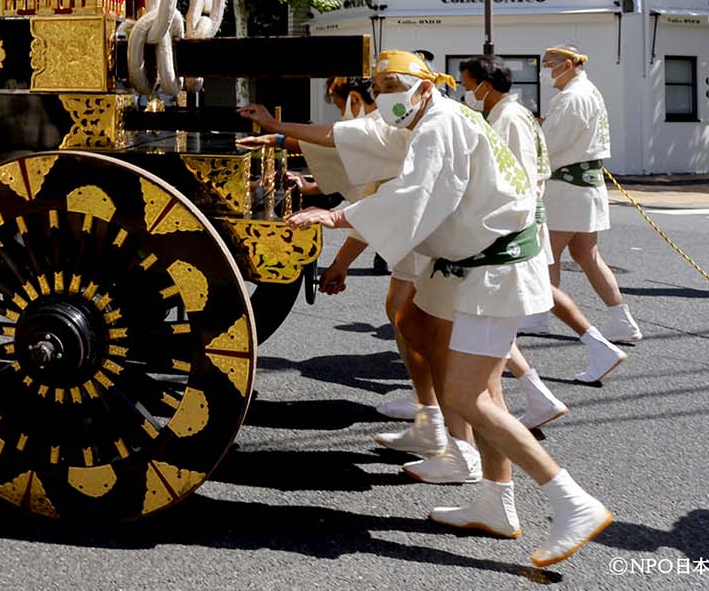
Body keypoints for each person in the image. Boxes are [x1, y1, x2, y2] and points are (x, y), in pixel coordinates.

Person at [287, 50, 612, 567]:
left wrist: (334, 217)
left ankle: (572, 501)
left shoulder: (440, 126)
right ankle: (496, 502)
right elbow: (376, 142)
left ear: (422, 85)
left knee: (468, 395)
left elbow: (413, 194)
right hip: (480, 265)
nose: (383, 92)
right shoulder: (434, 115)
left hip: (492, 270)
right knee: (482, 388)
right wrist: (288, 134)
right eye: (379, 84)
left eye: (393, 83)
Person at [239, 79, 431, 429]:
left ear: (355, 99)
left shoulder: (381, 125)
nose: (338, 111)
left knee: (436, 321)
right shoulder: (397, 125)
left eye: (339, 102)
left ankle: (437, 412)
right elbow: (344, 162)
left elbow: (335, 140)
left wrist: (276, 130)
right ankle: (433, 410)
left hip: (427, 235)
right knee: (415, 315)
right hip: (415, 232)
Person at [458, 57, 627, 431]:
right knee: (552, 278)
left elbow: (510, 174)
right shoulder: (518, 112)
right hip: (534, 213)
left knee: (497, 310)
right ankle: (599, 343)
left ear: (485, 83)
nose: (466, 92)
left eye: (468, 84)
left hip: (517, 222)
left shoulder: (511, 118)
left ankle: (541, 391)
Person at [538, 45, 640, 345]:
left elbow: (550, 143)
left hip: (567, 187)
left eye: (548, 64)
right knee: (586, 255)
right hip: (584, 185)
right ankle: (621, 319)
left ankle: (542, 313)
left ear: (567, 65)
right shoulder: (587, 91)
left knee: (547, 253)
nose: (544, 70)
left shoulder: (572, 97)